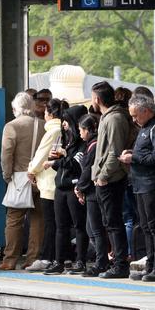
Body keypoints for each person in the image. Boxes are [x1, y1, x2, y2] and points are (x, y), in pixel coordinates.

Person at [119, 94, 155, 282]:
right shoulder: (144, 127)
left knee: (154, 226)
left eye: (135, 116)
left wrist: (135, 158)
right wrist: (133, 153)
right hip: (139, 182)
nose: (133, 120)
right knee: (146, 226)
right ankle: (150, 264)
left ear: (145, 111)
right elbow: (145, 152)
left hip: (150, 183)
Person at [91, 81, 131, 279]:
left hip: (111, 179)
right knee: (109, 222)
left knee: (114, 222)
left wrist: (103, 176)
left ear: (97, 99)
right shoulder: (108, 117)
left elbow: (114, 151)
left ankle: (120, 264)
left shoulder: (114, 118)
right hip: (105, 177)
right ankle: (115, 261)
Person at [0, 92, 45, 270]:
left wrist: (7, 175)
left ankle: (10, 259)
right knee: (38, 218)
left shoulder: (11, 126)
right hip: (40, 178)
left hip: (19, 177)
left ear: (16, 109)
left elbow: (6, 154)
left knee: (14, 219)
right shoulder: (43, 125)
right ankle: (33, 259)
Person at [44, 105, 89, 275]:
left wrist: (58, 161)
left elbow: (76, 164)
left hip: (73, 187)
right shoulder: (66, 139)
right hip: (60, 187)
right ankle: (59, 261)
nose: (64, 125)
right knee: (60, 226)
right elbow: (63, 165)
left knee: (79, 225)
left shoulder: (83, 143)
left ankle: (81, 260)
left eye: (67, 121)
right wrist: (57, 161)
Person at [25, 98, 65, 272]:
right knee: (58, 222)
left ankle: (47, 257)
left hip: (49, 181)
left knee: (50, 222)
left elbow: (42, 154)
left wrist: (32, 170)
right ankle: (58, 256)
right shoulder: (63, 128)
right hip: (59, 179)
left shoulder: (52, 131)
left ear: (49, 113)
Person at [74, 114, 109, 277]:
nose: (80, 133)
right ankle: (103, 259)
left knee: (96, 229)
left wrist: (80, 187)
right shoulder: (91, 144)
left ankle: (102, 262)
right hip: (90, 191)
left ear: (88, 130)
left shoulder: (93, 145)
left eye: (81, 130)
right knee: (92, 228)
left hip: (94, 191)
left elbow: (88, 169)